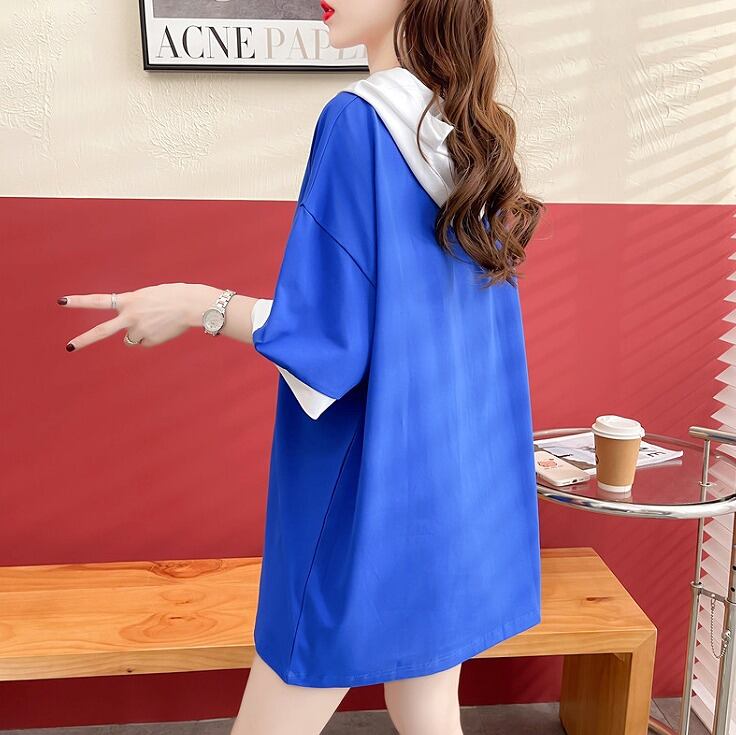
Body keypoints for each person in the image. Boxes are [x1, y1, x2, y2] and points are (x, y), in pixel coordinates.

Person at [58, 0, 546, 732]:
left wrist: (194, 303)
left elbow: (328, 342)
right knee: (425, 704)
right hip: (456, 491)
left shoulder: (359, 121)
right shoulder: (468, 137)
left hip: (367, 493)